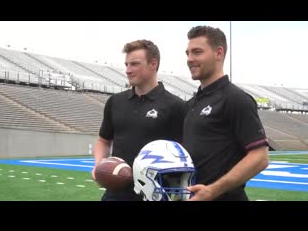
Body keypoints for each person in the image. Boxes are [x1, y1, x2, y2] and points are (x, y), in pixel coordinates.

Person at [91, 39, 186, 201]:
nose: (128, 70)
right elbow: (103, 141)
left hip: (155, 194)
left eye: (134, 64)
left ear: (153, 64)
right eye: (126, 64)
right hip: (116, 193)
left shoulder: (176, 105)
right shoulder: (115, 101)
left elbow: (183, 152)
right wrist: (99, 164)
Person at [183, 25, 269, 201]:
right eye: (188, 53)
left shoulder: (236, 99)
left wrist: (213, 190)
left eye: (197, 52)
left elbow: (260, 157)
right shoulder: (191, 104)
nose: (190, 59)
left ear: (219, 53)